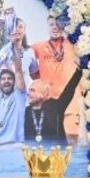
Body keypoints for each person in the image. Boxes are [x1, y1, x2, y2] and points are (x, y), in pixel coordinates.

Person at [32, 16, 84, 144]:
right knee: (49, 142)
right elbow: (28, 64)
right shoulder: (38, 47)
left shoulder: (73, 45)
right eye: (51, 24)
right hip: (49, 104)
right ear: (47, 27)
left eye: (58, 24)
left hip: (70, 101)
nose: (55, 27)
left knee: (72, 140)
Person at [25, 68, 83, 144]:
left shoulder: (56, 106)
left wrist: (78, 71)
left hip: (57, 153)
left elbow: (69, 89)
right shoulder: (25, 112)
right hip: (33, 153)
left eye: (32, 90)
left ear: (43, 93)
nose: (28, 93)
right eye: (29, 90)